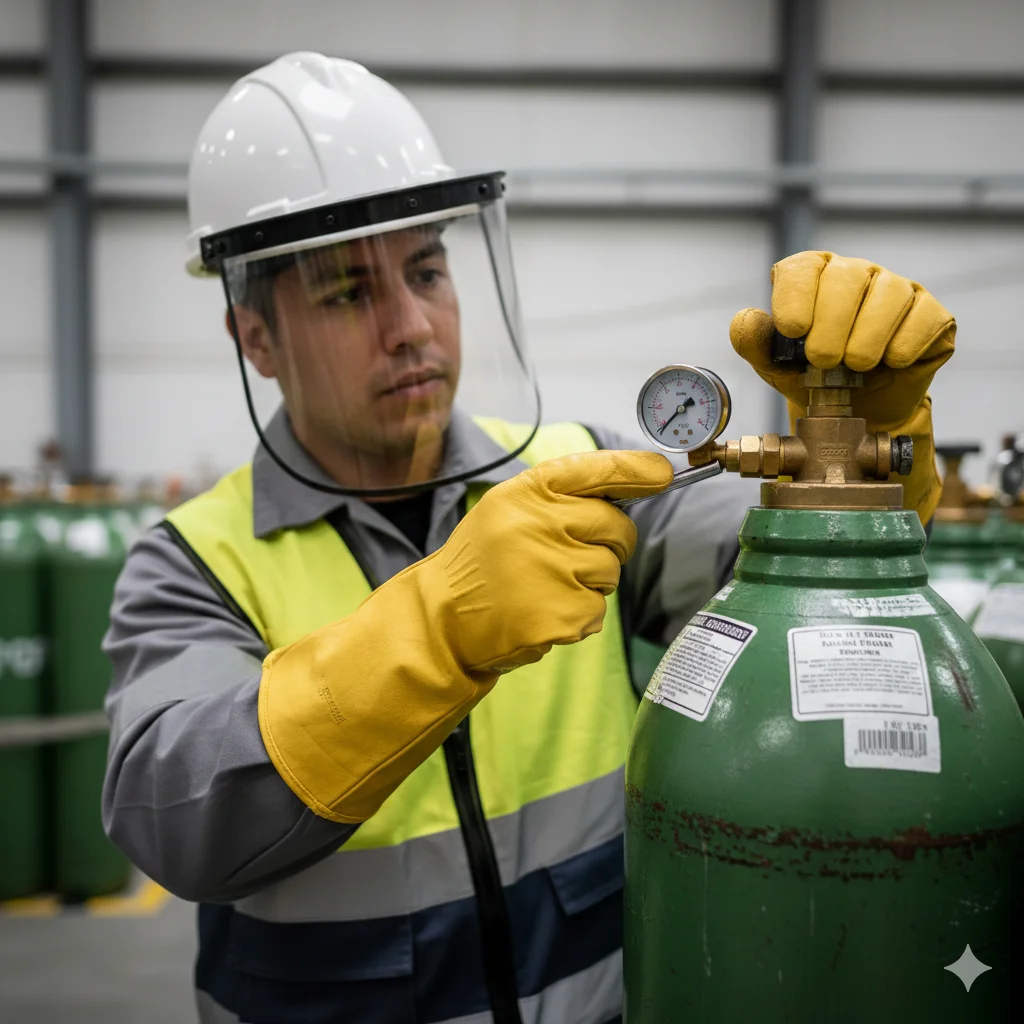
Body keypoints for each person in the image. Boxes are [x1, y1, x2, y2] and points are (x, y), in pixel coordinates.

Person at [101, 53, 955, 1024]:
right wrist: (437, 631)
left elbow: (796, 587)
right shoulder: (195, 557)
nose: (411, 327)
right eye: (347, 293)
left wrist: (862, 458)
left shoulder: (577, 472)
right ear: (254, 339)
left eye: (427, 270)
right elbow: (173, 811)